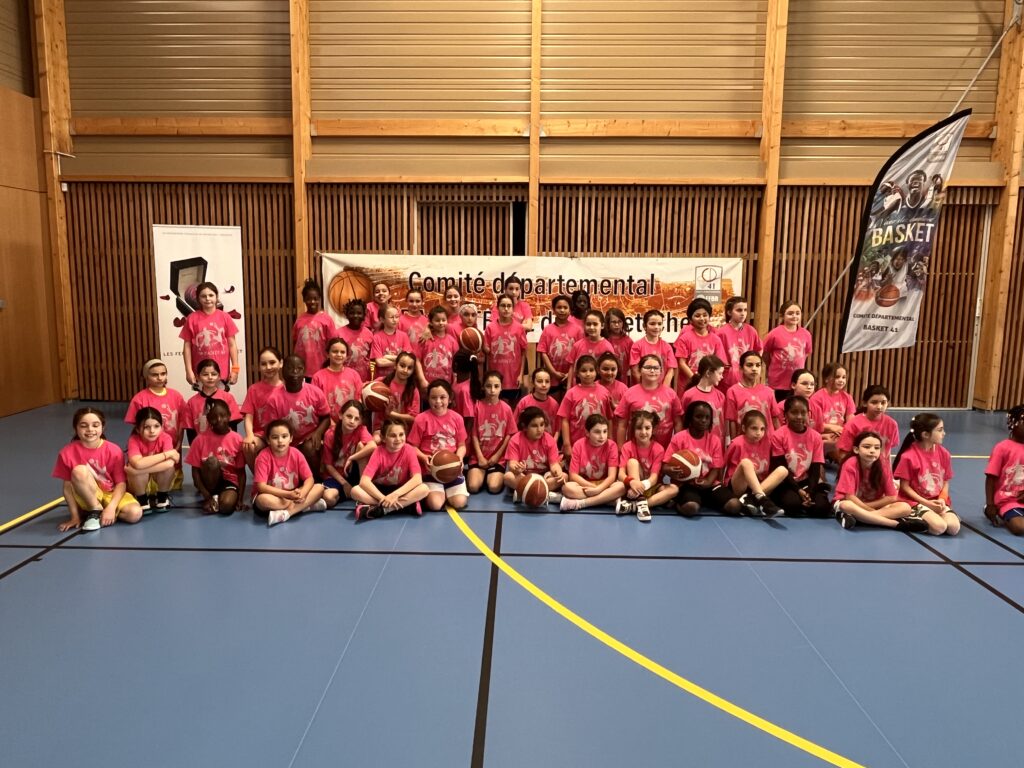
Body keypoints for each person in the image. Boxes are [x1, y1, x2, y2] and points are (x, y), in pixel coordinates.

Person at [54, 408, 143, 532]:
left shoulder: (113, 450)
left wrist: (111, 508)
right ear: (76, 428)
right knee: (80, 470)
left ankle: (97, 514)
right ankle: (95, 509)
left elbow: (121, 483)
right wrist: (74, 517)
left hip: (110, 493)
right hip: (85, 494)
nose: (90, 429)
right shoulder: (66, 453)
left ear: (103, 427)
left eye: (95, 425)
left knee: (135, 514)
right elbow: (67, 488)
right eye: (84, 426)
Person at [833, 431, 923, 532]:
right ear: (856, 449)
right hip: (852, 503)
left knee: (905, 507)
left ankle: (860, 518)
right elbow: (850, 496)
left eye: (876, 448)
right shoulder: (850, 463)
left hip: (873, 505)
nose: (872, 451)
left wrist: (866, 511)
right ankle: (895, 524)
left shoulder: (883, 464)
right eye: (867, 447)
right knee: (846, 506)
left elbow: (891, 497)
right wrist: (870, 510)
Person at [893, 413, 960, 535]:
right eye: (940, 430)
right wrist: (926, 503)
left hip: (937, 501)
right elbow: (904, 487)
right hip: (915, 502)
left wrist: (942, 499)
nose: (944, 433)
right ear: (925, 434)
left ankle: (931, 515)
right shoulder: (908, 456)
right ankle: (907, 517)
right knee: (939, 528)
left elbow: (945, 481)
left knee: (953, 528)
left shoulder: (944, 453)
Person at [264, 355, 331, 479]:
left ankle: (316, 482)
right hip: (286, 440)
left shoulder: (315, 392)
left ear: (304, 371)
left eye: (299, 369)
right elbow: (272, 427)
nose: (295, 373)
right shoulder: (274, 398)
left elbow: (326, 417)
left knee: (309, 448)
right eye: (290, 368)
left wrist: (317, 433)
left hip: (310, 439)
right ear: (282, 370)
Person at [351, 418, 430, 521]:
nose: (398, 439)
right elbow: (364, 481)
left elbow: (417, 479)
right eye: (393, 435)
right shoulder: (378, 452)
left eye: (401, 434)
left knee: (424, 489)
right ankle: (406, 506)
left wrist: (395, 495)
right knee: (355, 491)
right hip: (380, 491)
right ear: (383, 438)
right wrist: (383, 499)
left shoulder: (409, 450)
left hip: (400, 490)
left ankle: (382, 509)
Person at [408, 380, 470, 511]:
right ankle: (437, 492)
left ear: (450, 398)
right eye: (433, 397)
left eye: (442, 397)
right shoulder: (421, 419)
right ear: (428, 398)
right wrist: (423, 457)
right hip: (430, 470)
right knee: (435, 505)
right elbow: (412, 447)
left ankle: (448, 489)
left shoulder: (457, 418)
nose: (438, 401)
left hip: (451, 469)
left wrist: (459, 458)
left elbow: (461, 445)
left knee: (460, 503)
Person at [252, 419, 326, 526]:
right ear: (268, 440)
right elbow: (261, 487)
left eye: (284, 436)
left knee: (319, 487)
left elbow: (309, 479)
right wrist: (288, 495)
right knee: (263, 500)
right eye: (275, 437)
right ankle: (306, 506)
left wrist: (303, 494)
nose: (280, 441)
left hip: (293, 494)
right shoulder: (263, 457)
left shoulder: (296, 453)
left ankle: (287, 513)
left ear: (291, 438)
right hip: (273, 496)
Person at [125, 359, 186, 486]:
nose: (160, 378)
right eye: (154, 375)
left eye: (163, 374)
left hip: (170, 445)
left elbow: (181, 422)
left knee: (169, 476)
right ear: (146, 376)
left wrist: (179, 442)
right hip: (148, 449)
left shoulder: (176, 396)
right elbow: (136, 428)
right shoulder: (139, 399)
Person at [768, 395, 830, 517]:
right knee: (792, 505)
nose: (799, 417)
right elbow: (781, 467)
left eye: (803, 413)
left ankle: (806, 500)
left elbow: (815, 467)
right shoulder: (778, 435)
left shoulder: (816, 437)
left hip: (807, 482)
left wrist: (810, 492)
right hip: (786, 482)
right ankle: (798, 501)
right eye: (794, 412)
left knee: (822, 508)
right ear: (785, 415)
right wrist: (798, 490)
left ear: (809, 414)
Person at [665, 401, 725, 517]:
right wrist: (672, 471)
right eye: (699, 416)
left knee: (734, 506)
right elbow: (665, 466)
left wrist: (708, 482)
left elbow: (716, 468)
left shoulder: (715, 440)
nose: (703, 420)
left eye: (707, 417)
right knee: (691, 508)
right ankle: (678, 502)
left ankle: (704, 499)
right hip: (686, 484)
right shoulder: (679, 438)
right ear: (690, 419)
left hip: (708, 484)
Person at [186, 400, 245, 515]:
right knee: (213, 461)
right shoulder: (199, 440)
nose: (218, 420)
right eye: (213, 417)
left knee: (226, 507)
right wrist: (206, 495)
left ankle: (219, 500)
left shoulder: (237, 439)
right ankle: (213, 497)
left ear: (229, 415)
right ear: (208, 420)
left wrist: (240, 499)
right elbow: (195, 472)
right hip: (209, 482)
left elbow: (241, 472)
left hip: (229, 481)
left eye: (222, 415)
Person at [720, 411, 784, 517]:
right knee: (746, 463)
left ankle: (750, 498)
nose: (759, 433)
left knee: (782, 470)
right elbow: (723, 465)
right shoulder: (736, 443)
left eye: (762, 429)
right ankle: (762, 500)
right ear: (744, 428)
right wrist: (721, 484)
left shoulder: (768, 443)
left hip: (758, 485)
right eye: (754, 428)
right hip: (738, 485)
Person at [617, 410, 678, 522]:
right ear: (633, 430)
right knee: (632, 462)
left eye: (647, 428)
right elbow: (620, 474)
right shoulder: (627, 447)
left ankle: (636, 506)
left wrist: (642, 486)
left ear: (653, 429)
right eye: (639, 428)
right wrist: (631, 482)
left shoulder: (658, 449)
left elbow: (654, 478)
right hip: (632, 488)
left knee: (674, 489)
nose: (643, 432)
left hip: (650, 486)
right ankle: (641, 501)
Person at [614, 354, 682, 448]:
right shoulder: (630, 393)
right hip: (635, 451)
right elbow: (622, 424)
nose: (652, 370)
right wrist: (621, 449)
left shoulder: (671, 394)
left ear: (661, 371)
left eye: (656, 368)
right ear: (640, 370)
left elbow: (678, 423)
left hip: (664, 449)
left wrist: (677, 448)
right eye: (648, 367)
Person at [560, 415, 626, 511]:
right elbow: (573, 476)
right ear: (587, 433)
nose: (602, 436)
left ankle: (581, 503)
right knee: (567, 488)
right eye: (597, 432)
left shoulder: (612, 445)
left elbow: (612, 477)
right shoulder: (578, 445)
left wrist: (598, 489)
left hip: (604, 484)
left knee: (621, 487)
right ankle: (607, 500)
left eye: (605, 431)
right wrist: (593, 488)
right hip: (585, 484)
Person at [180, 281, 239, 388]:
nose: (207, 299)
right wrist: (188, 371)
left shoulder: (225, 317)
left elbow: (232, 345)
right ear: (198, 299)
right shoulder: (192, 318)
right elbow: (187, 347)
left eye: (211, 295)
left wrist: (235, 369)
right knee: (202, 402)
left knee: (220, 401)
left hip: (221, 373)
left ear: (216, 297)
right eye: (203, 296)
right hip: (200, 372)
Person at [503, 407, 565, 504]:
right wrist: (517, 468)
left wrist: (558, 473)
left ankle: (523, 493)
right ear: (525, 426)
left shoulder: (549, 440)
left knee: (564, 476)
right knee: (508, 477)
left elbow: (554, 465)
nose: (539, 429)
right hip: (525, 476)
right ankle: (545, 495)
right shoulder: (516, 440)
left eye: (542, 425)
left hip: (544, 476)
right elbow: (512, 463)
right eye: (534, 426)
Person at [467, 371, 515, 494]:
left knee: (494, 488)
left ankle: (492, 474)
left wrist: (497, 456)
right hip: (479, 456)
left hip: (497, 459)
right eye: (489, 386)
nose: (492, 390)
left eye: (496, 386)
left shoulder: (507, 408)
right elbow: (474, 435)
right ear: (483, 387)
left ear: (501, 388)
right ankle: (479, 474)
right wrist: (480, 457)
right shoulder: (477, 406)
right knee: (473, 487)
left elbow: (509, 434)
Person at [321, 400, 375, 508]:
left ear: (360, 421)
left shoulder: (361, 430)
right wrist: (344, 483)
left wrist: (352, 457)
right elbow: (328, 465)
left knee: (361, 446)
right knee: (328, 498)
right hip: (337, 476)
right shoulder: (330, 434)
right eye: (349, 416)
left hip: (353, 473)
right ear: (341, 415)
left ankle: (363, 487)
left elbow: (373, 445)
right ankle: (350, 493)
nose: (352, 421)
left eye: (356, 419)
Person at [558, 355, 613, 460]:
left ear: (596, 371)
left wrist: (610, 439)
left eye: (591, 370)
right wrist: (567, 444)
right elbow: (564, 420)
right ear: (577, 373)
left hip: (599, 442)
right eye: (584, 371)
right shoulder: (571, 393)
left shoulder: (604, 392)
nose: (588, 374)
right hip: (576, 441)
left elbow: (609, 418)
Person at [125, 407, 178, 514]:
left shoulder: (166, 438)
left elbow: (170, 464)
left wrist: (139, 470)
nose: (152, 431)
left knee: (168, 469)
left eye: (156, 426)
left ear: (162, 427)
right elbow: (138, 463)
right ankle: (142, 499)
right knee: (137, 469)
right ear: (138, 429)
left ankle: (162, 497)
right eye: (146, 427)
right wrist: (166, 454)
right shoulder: (134, 440)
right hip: (139, 481)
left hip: (156, 476)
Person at [241, 346, 284, 468]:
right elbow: (248, 416)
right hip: (262, 436)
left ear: (280, 363)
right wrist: (249, 435)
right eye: (263, 364)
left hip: (282, 435)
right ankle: (259, 479)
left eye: (272, 362)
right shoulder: (253, 389)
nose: (268, 367)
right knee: (249, 446)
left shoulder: (287, 388)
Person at [984, 405, 1024, 535]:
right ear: (1013, 423)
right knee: (1019, 528)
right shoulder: (1002, 448)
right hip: (1009, 500)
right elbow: (991, 478)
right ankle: (1004, 514)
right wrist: (990, 504)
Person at [762, 300, 812, 401]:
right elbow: (765, 354)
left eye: (797, 313)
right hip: (778, 382)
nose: (794, 316)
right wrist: (772, 365)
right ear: (782, 315)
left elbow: (806, 353)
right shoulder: (774, 334)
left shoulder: (806, 334)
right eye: (790, 313)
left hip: (797, 382)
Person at [836, 384, 900, 461]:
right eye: (874, 402)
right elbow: (843, 454)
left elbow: (887, 452)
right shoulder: (853, 424)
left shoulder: (892, 424)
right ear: (865, 403)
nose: (879, 406)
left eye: (883, 403)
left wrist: (888, 472)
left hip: (880, 470)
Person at [484, 294, 528, 404]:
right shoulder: (490, 328)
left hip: (513, 378)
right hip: (495, 379)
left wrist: (521, 375)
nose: (506, 309)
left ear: (513, 309)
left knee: (512, 410)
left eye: (509, 306)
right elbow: (487, 351)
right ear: (497, 308)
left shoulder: (519, 328)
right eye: (503, 305)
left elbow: (523, 352)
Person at [183, 358, 241, 441]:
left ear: (219, 376)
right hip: (201, 447)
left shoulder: (228, 398)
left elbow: (233, 424)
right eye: (205, 374)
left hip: (223, 445)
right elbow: (190, 432)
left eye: (214, 374)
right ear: (198, 377)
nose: (210, 377)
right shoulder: (192, 402)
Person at [674, 298, 727, 388]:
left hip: (708, 384)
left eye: (705, 315)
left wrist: (708, 379)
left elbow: (719, 363)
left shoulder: (716, 339)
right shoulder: (685, 338)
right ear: (690, 319)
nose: (702, 318)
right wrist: (695, 378)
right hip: (688, 384)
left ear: (709, 317)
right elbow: (682, 363)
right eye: (697, 316)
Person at [537, 294, 583, 397]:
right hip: (552, 378)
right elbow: (543, 352)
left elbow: (580, 354)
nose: (562, 310)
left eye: (565, 307)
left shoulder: (577, 330)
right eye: (559, 307)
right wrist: (553, 372)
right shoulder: (548, 329)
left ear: (570, 310)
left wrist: (570, 373)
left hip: (572, 376)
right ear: (553, 310)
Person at [809, 362, 855, 462]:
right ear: (826, 379)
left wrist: (843, 432)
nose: (841, 380)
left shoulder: (847, 397)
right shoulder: (817, 398)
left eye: (844, 377)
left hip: (840, 434)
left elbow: (851, 422)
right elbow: (814, 424)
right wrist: (833, 428)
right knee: (835, 445)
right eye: (837, 377)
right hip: (822, 434)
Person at [311, 337, 364, 422]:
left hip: (351, 423)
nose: (339, 354)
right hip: (327, 425)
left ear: (347, 356)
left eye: (342, 352)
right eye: (335, 351)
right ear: (327, 354)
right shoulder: (317, 377)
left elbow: (359, 401)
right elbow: (316, 406)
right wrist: (331, 425)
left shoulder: (354, 374)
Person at [724, 350, 775, 440]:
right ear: (741, 368)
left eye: (758, 365)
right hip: (744, 443)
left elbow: (775, 418)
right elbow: (732, 421)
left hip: (767, 443)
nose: (754, 368)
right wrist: (734, 442)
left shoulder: (769, 391)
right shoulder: (732, 391)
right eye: (749, 365)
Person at [716, 295, 762, 390]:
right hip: (728, 379)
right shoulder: (721, 332)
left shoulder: (751, 330)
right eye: (739, 310)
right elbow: (717, 357)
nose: (743, 313)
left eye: (745, 310)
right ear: (729, 312)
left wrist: (754, 365)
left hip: (748, 377)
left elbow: (759, 350)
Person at [680, 354, 727, 443]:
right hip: (694, 444)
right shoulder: (689, 395)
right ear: (708, 373)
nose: (722, 377)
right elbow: (683, 422)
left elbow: (723, 423)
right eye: (720, 373)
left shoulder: (721, 396)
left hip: (716, 445)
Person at [292, 279, 334, 378]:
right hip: (302, 370)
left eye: (315, 298)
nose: (312, 302)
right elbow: (295, 343)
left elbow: (333, 344)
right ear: (304, 299)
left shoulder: (327, 319)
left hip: (322, 369)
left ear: (320, 299)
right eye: (309, 299)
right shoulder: (299, 320)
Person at [629, 310, 677, 390]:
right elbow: (635, 371)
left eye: (659, 324)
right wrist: (646, 388)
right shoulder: (637, 346)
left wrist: (663, 389)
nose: (656, 327)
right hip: (642, 389)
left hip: (661, 390)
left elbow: (671, 370)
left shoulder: (667, 346)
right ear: (644, 326)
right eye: (652, 324)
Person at [416, 306, 459, 389]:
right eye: (437, 320)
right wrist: (422, 380)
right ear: (430, 322)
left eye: (443, 320)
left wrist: (455, 381)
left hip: (446, 386)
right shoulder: (425, 339)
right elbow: (417, 360)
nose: (441, 323)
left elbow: (456, 364)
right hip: (427, 385)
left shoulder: (452, 341)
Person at [378, 351, 420, 433]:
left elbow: (413, 418)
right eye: (402, 365)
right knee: (376, 440)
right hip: (381, 428)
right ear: (395, 365)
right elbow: (364, 388)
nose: (405, 370)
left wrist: (391, 414)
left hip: (403, 432)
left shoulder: (413, 390)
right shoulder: (382, 382)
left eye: (410, 368)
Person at [566, 310, 613, 384]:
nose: (591, 327)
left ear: (602, 325)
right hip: (578, 387)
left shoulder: (607, 346)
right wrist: (568, 388)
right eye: (588, 324)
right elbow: (571, 368)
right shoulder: (577, 345)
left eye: (595, 324)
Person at [514, 367, 560, 437]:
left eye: (547, 381)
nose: (544, 385)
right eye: (539, 381)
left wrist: (553, 443)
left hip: (547, 445)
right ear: (533, 383)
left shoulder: (554, 404)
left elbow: (557, 429)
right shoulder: (524, 402)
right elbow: (515, 426)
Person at [336, 298, 374, 381]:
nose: (355, 315)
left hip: (364, 379)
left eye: (359, 313)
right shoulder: (339, 333)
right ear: (346, 314)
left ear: (364, 315)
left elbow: (372, 358)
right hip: (343, 378)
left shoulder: (369, 334)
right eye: (352, 313)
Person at [371, 305, 414, 376]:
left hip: (399, 377)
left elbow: (408, 359)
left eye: (397, 317)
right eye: (391, 317)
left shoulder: (404, 336)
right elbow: (380, 362)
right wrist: (400, 362)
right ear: (382, 319)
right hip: (382, 378)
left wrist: (387, 357)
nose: (395, 320)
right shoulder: (377, 337)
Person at [603, 307, 633, 384]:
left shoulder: (628, 342)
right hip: (604, 380)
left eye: (619, 322)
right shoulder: (603, 340)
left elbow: (633, 365)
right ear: (608, 323)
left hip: (622, 382)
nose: (617, 325)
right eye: (613, 322)